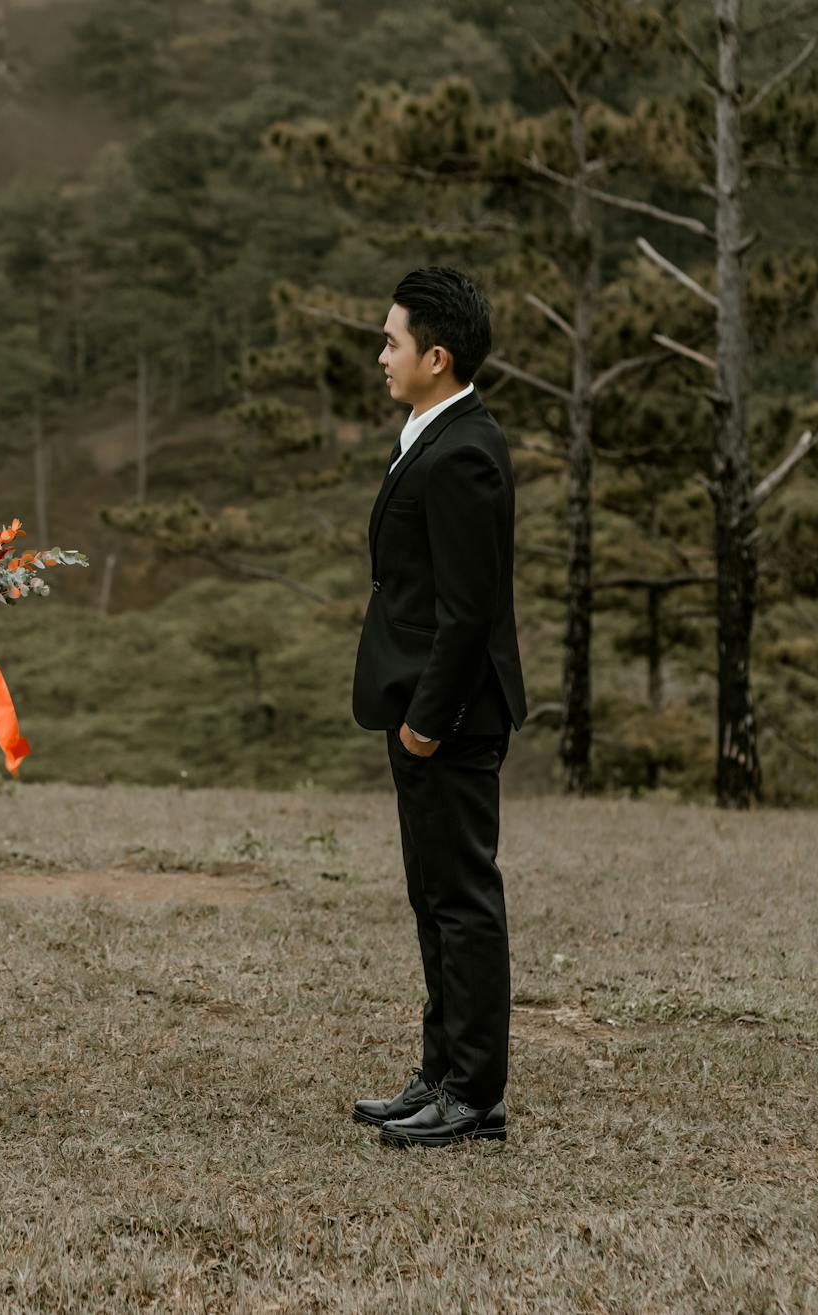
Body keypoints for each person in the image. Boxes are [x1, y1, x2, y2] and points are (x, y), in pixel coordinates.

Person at [348, 267, 527, 1147]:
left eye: (392, 340)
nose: (381, 354)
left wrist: (427, 718)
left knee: (464, 899)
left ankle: (477, 1096)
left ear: (438, 356)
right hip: (417, 706)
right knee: (434, 896)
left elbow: (468, 608)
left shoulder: (465, 452)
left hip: (448, 717)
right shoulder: (431, 430)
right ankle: (441, 1071)